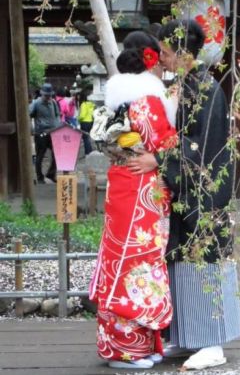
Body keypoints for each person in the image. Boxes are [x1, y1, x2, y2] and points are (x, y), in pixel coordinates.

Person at [127, 20, 240, 370]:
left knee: (203, 261)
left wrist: (158, 160)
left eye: (165, 51)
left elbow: (200, 145)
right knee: (183, 260)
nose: (161, 58)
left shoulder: (204, 88)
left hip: (205, 191)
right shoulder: (191, 85)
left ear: (182, 53)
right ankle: (190, 335)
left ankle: (212, 342)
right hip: (189, 188)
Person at [89, 31, 178, 369]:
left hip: (122, 187)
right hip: (142, 190)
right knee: (138, 264)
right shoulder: (149, 101)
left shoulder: (115, 100)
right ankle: (129, 350)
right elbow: (168, 144)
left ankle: (136, 345)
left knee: (121, 261)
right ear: (151, 59)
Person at [29, 82, 60, 184]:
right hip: (41, 133)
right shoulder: (36, 103)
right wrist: (32, 128)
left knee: (57, 154)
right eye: (46, 95)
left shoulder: (53, 103)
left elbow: (57, 115)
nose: (48, 97)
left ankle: (51, 174)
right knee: (40, 155)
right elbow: (29, 114)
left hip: (53, 132)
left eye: (49, 95)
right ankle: (39, 176)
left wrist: (58, 126)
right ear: (42, 94)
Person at [78, 89, 95, 155]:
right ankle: (90, 150)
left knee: (85, 138)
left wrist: (78, 119)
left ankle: (88, 152)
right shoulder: (92, 104)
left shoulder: (83, 104)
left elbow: (82, 115)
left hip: (84, 122)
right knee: (88, 137)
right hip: (90, 122)